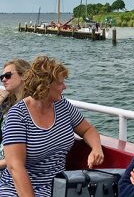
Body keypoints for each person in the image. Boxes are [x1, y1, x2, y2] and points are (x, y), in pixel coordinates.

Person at [0, 55, 104, 197]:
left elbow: (88, 129)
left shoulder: (63, 106)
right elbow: (15, 167)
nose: (64, 87)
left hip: (57, 187)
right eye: (61, 83)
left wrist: (96, 148)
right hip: (18, 189)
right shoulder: (18, 115)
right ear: (46, 86)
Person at [0, 59, 31, 173]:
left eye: (8, 75)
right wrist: (2, 98)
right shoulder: (8, 103)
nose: (3, 79)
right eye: (2, 77)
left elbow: (22, 155)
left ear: (24, 75)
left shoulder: (30, 107)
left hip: (9, 168)